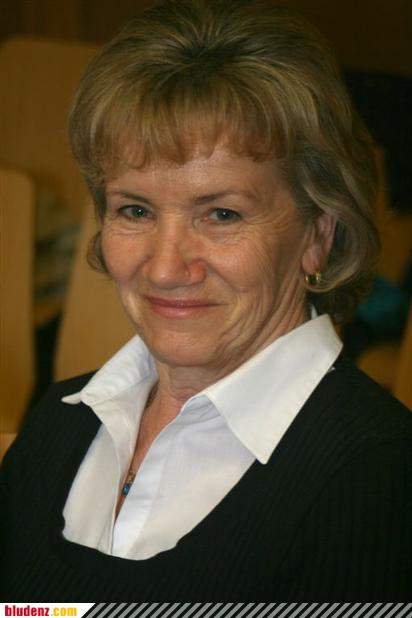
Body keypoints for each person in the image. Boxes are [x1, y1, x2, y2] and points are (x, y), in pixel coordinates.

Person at [1, 0, 411, 602]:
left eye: (221, 214)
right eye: (135, 210)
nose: (166, 268)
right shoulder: (60, 422)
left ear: (317, 235)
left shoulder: (379, 478)